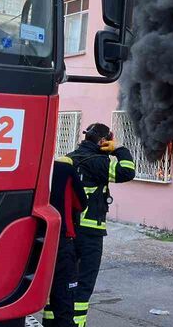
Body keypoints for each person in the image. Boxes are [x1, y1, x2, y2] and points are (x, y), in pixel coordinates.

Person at [67, 123, 136, 327]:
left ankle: (54, 321)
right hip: (90, 232)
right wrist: (120, 149)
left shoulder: (69, 158)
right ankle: (76, 324)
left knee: (63, 279)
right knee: (84, 283)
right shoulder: (98, 162)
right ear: (104, 141)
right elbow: (127, 171)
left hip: (66, 231)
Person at [43, 155, 87, 327]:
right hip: (61, 240)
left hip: (30, 239)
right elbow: (81, 203)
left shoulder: (30, 169)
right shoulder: (65, 170)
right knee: (64, 299)